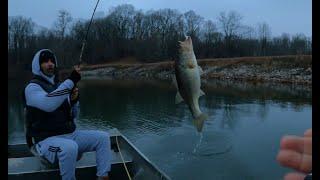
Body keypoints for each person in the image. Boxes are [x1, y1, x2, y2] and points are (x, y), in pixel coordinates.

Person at [23, 49, 111, 180]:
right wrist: (70, 81)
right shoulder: (32, 88)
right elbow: (48, 104)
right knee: (70, 147)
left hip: (70, 135)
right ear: (37, 65)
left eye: (52, 61)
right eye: (45, 61)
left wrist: (74, 101)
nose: (50, 64)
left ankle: (103, 176)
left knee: (103, 138)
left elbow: (74, 115)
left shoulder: (59, 87)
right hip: (45, 141)